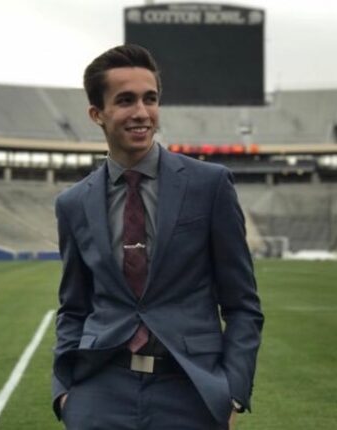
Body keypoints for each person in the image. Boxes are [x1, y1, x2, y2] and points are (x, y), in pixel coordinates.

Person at [52, 44, 264, 430]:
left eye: (150, 99)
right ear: (96, 114)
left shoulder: (209, 185)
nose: (141, 113)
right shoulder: (72, 203)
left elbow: (242, 304)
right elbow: (74, 306)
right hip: (100, 392)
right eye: (126, 100)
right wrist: (65, 390)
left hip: (190, 390)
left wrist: (232, 391)